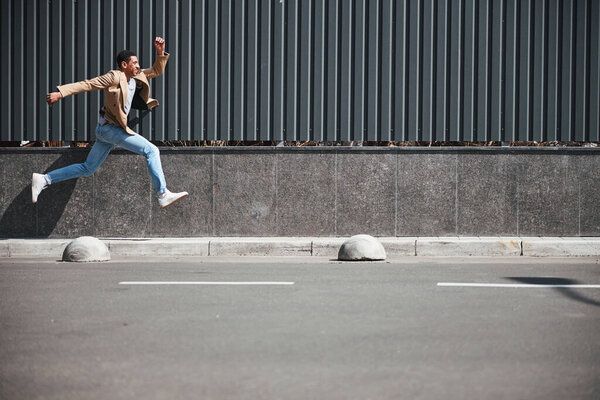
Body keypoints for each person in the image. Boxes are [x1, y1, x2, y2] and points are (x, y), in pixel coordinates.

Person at [33, 37, 188, 209]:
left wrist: (160, 52)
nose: (138, 66)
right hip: (111, 130)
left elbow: (156, 70)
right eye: (134, 63)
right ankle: (163, 193)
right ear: (124, 65)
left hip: (104, 131)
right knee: (151, 150)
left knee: (88, 168)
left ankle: (44, 179)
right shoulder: (114, 77)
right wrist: (60, 93)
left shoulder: (137, 76)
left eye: (138, 63)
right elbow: (87, 84)